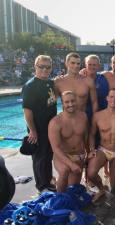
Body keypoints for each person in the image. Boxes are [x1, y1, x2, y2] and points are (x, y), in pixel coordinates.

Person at [87, 89, 115, 202]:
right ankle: (101, 189)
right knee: (91, 173)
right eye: (111, 97)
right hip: (103, 149)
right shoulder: (98, 116)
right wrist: (91, 149)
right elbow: (91, 134)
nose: (113, 100)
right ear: (107, 98)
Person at [22, 55, 57, 193]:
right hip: (38, 129)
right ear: (35, 67)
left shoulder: (50, 83)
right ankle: (42, 187)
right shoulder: (30, 86)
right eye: (41, 66)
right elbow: (27, 111)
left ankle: (47, 181)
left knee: (48, 156)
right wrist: (32, 130)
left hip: (50, 129)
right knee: (40, 159)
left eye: (48, 67)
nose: (44, 69)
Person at [48, 91, 88, 192]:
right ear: (62, 103)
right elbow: (55, 148)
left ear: (76, 101)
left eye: (72, 101)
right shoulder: (55, 122)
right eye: (67, 102)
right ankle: (59, 198)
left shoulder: (83, 116)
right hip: (63, 156)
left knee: (72, 189)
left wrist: (89, 152)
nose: (70, 104)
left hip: (79, 155)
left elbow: (86, 136)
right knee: (64, 171)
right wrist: (71, 164)